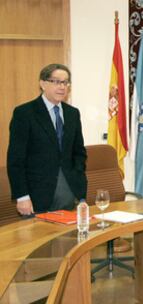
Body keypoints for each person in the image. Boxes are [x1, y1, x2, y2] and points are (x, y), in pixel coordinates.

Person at [7, 63, 87, 215]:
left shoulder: (73, 114)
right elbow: (16, 159)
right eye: (56, 81)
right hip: (36, 196)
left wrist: (79, 186)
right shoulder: (24, 113)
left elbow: (79, 153)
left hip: (69, 193)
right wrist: (22, 196)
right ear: (42, 84)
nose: (62, 87)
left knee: (69, 238)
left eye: (65, 82)